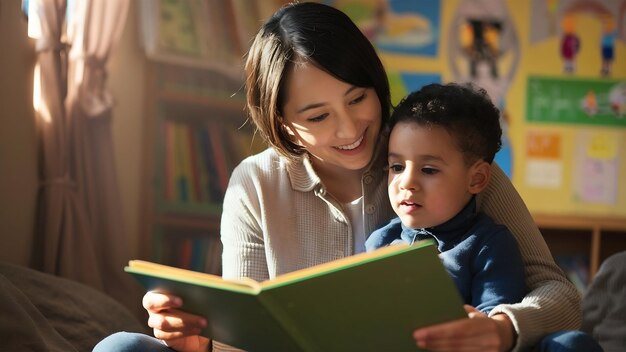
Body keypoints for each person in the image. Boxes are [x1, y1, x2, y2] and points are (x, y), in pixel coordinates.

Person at [95, 2, 582, 352]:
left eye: (357, 99)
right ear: (282, 122)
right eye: (318, 116)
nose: (350, 130)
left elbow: (559, 296)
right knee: (122, 347)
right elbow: (242, 338)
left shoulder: (440, 155)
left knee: (570, 345)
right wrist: (200, 339)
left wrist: (502, 329)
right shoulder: (255, 185)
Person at [365, 83, 527, 316]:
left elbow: (490, 326)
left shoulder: (488, 245)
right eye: (397, 167)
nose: (406, 182)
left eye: (429, 170)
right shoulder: (381, 239)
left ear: (477, 178)